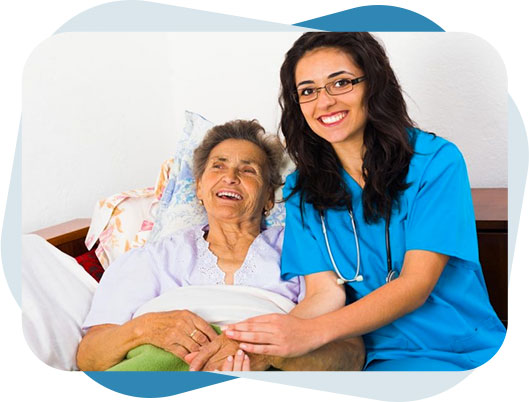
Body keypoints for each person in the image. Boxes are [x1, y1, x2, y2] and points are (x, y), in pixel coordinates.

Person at [222, 32, 506, 371]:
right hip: (375, 359)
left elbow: (415, 285)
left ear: (373, 84)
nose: (324, 102)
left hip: (458, 350)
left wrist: (309, 333)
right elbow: (324, 294)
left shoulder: (437, 162)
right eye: (308, 91)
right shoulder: (302, 189)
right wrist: (258, 343)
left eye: (340, 83)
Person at [76, 119, 364, 371]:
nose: (231, 177)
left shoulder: (305, 253)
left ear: (268, 198)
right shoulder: (152, 259)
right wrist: (144, 330)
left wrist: (265, 351)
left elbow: (351, 355)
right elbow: (90, 357)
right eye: (219, 166)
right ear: (200, 188)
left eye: (248, 171)